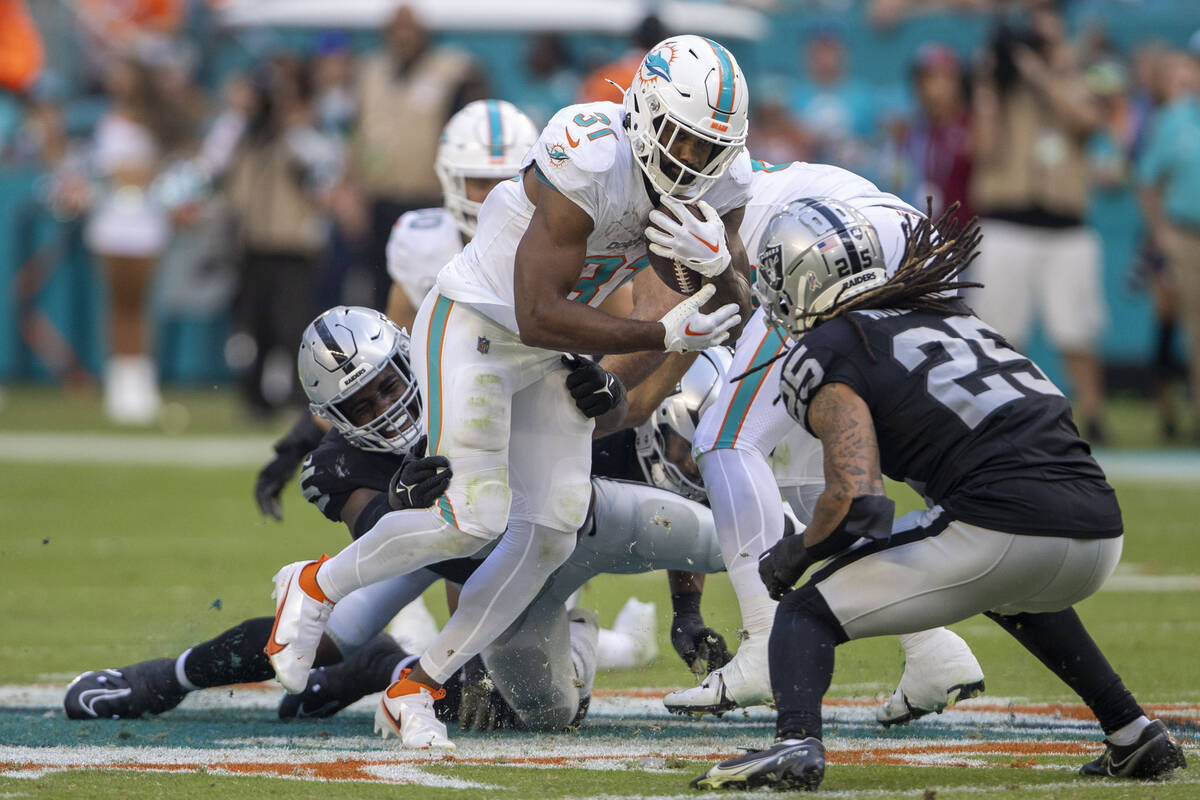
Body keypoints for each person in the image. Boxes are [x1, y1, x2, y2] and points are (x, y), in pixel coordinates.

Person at [263, 34, 754, 751]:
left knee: (555, 527)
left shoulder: (723, 181)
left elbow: (732, 300)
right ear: (644, 113)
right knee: (474, 514)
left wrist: (719, 271)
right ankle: (314, 585)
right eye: (679, 137)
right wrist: (659, 332)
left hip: (548, 352)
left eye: (710, 149)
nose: (692, 161)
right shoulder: (587, 151)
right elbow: (536, 309)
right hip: (478, 326)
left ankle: (416, 687)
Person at [692, 202, 1188, 791]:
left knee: (802, 614)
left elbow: (857, 502)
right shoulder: (954, 318)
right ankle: (1133, 734)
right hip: (1098, 526)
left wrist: (793, 555)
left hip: (1004, 524)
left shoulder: (832, 346)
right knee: (1015, 593)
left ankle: (795, 745)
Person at [63, 309, 730, 734]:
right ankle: (167, 678)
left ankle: (566, 641)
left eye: (387, 383)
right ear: (335, 418)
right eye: (363, 401)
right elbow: (393, 539)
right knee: (320, 638)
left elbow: (645, 469)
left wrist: (686, 608)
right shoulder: (335, 465)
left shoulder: (476, 372)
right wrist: (407, 504)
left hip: (550, 543)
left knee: (521, 703)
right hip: (454, 557)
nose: (386, 406)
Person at [667, 161, 984, 727]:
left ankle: (765, 640)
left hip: (838, 246)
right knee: (814, 478)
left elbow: (718, 310)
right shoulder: (755, 181)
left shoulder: (687, 200)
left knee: (722, 439)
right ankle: (933, 649)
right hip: (917, 250)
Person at [968, 0, 1108, 441]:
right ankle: (1004, 415)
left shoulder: (1078, 78)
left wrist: (1038, 71)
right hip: (1006, 219)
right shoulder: (998, 86)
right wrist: (991, 83)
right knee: (1001, 330)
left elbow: (1088, 120)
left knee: (1076, 330)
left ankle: (1095, 418)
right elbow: (983, 150)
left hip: (1065, 226)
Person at [348, 4, 488, 307]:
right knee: (381, 287)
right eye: (396, 29)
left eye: (409, 29)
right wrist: (351, 188)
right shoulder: (371, 70)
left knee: (430, 288)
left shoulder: (451, 70)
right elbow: (356, 134)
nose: (403, 37)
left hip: (429, 199)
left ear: (425, 32)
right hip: (379, 198)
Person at [1137, 47, 1200, 443]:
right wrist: (1159, 232)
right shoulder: (1175, 118)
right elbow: (1147, 178)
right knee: (1190, 326)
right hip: (1185, 233)